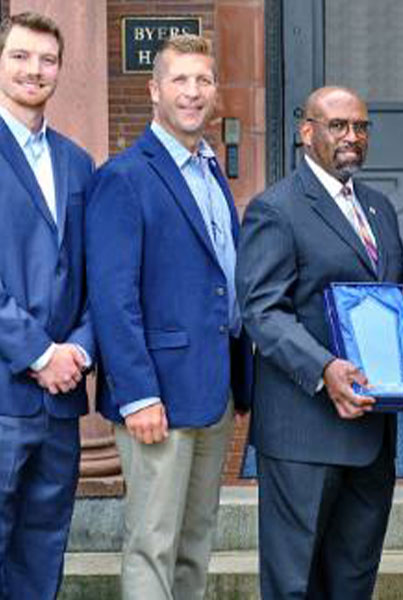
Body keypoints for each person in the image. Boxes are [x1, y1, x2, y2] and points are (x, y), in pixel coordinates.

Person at [86, 34, 252, 599]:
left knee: (195, 540)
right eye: (180, 80)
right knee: (152, 543)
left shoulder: (210, 173)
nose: (193, 92)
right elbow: (113, 297)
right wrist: (136, 394)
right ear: (155, 90)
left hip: (212, 389)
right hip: (155, 395)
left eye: (203, 80)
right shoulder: (124, 177)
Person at [236, 85, 403, 599]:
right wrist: (323, 369)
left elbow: (399, 280)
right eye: (338, 125)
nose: (352, 137)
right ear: (307, 132)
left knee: (353, 581)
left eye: (361, 126)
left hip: (371, 431)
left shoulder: (379, 208)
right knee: (295, 583)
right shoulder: (276, 209)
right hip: (304, 431)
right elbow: (263, 311)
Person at [0, 12, 95, 600]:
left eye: (47, 59)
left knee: (43, 550)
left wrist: (79, 348)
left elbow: (93, 276)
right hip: (5, 393)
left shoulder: (77, 163)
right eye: (20, 56)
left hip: (60, 403)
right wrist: (37, 352)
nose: (35, 69)